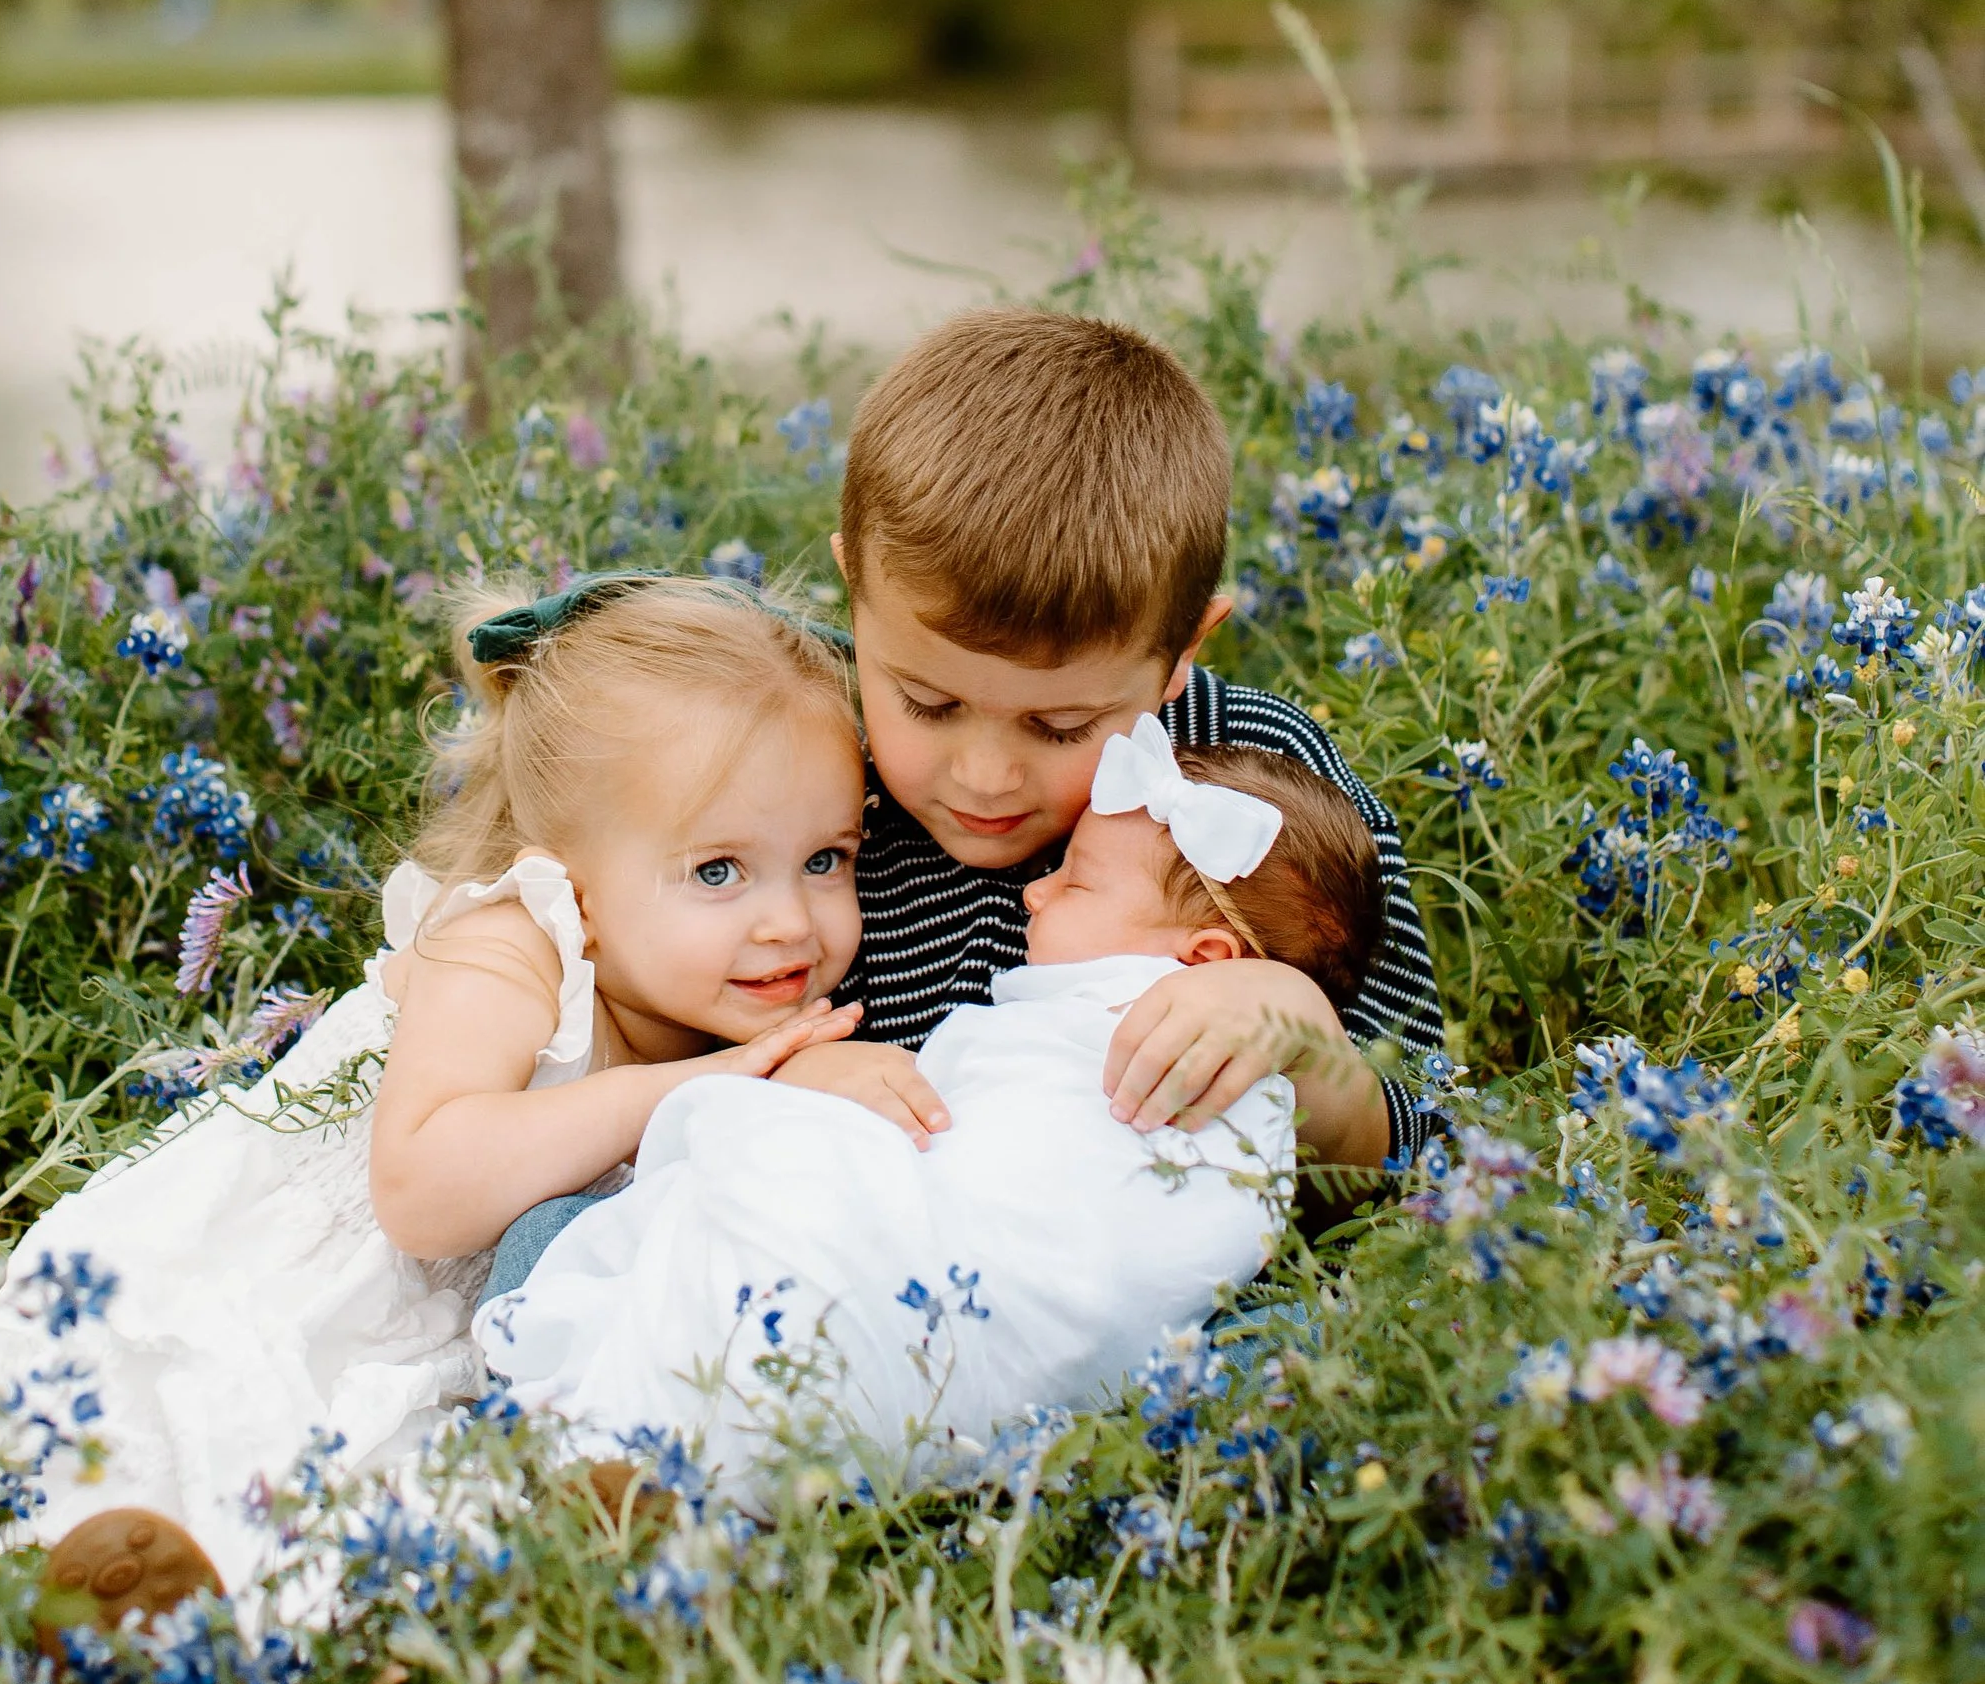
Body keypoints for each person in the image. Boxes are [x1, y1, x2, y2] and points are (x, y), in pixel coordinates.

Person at [0, 575, 875, 1628]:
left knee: (407, 1509)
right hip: (293, 1281)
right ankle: (104, 1572)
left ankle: (250, 1622)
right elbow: (421, 1190)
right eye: (719, 871)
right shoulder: (513, 945)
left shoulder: (726, 1003)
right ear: (571, 876)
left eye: (825, 859)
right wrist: (689, 1089)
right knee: (189, 1417)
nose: (792, 921)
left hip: (448, 1350)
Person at [481, 304, 1441, 1300]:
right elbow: (673, 1028)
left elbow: (1429, 1136)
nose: (983, 775)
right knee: (555, 1245)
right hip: (854, 1276)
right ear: (854, 591)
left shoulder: (1254, 783)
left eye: (1058, 727)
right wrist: (773, 1085)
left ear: (1181, 652)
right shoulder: (805, 778)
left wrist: (1299, 1040)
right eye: (927, 703)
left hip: (1142, 1295)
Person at [476, 711, 1383, 1483]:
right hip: (996, 1354)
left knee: (596, 1244)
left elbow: (1391, 1153)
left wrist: (1295, 1017)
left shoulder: (1186, 1020)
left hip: (941, 1294)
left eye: (1075, 881)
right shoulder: (804, 758)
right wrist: (805, 1085)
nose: (1035, 892)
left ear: (1205, 960)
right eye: (931, 701)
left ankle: (642, 1432)